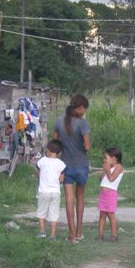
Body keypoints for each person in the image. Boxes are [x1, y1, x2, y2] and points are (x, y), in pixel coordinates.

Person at [53, 94, 90, 244]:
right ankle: (79, 231)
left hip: (65, 165)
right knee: (80, 197)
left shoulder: (59, 121)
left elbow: (54, 143)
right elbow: (87, 146)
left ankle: (71, 234)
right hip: (81, 165)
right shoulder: (83, 124)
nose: (85, 111)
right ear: (80, 108)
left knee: (69, 199)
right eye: (85, 108)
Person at [35, 139, 66, 239]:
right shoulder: (61, 164)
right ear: (59, 152)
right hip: (55, 192)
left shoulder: (42, 161)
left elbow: (38, 173)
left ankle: (42, 232)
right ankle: (53, 235)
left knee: (41, 212)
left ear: (48, 150)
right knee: (54, 214)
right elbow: (61, 179)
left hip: (43, 191)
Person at [96, 147, 124, 242]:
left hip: (111, 194)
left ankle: (114, 235)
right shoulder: (109, 168)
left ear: (114, 159)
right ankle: (100, 235)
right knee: (102, 214)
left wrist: (107, 169)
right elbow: (102, 180)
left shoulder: (119, 167)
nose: (104, 160)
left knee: (111, 215)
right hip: (103, 194)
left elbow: (112, 179)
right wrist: (104, 171)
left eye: (105, 158)